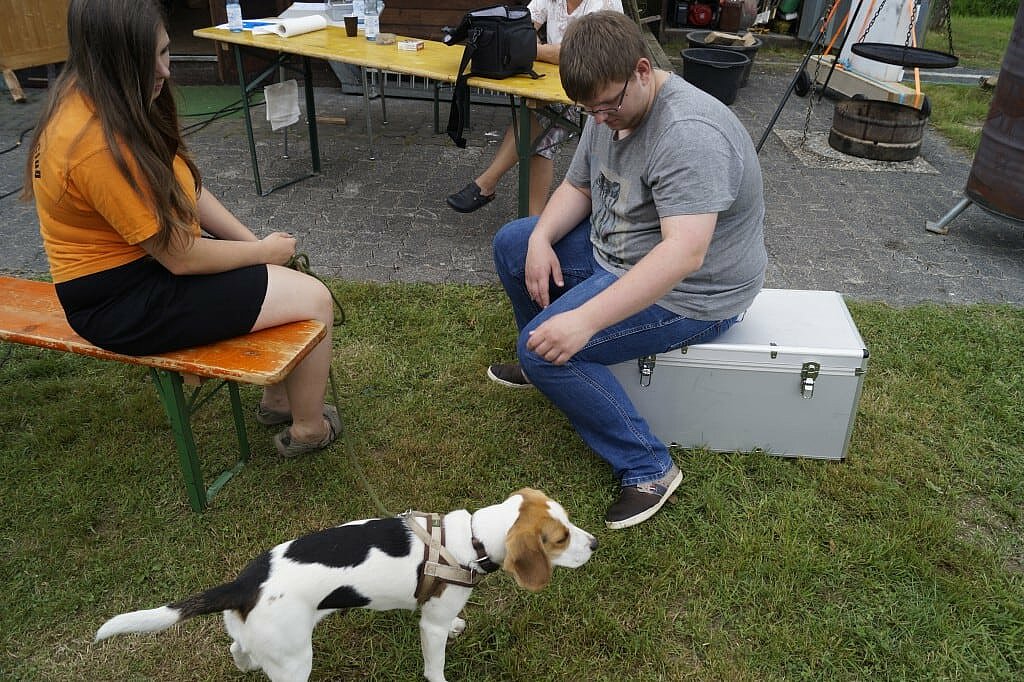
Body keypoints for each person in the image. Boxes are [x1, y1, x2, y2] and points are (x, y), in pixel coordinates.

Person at [487, 11, 768, 530]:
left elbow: (683, 254)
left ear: (642, 70)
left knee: (544, 345)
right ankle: (544, 364)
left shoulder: (689, 133)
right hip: (619, 250)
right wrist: (541, 240)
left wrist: (584, 321)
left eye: (606, 107)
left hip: (694, 293)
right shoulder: (609, 107)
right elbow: (578, 186)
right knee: (513, 243)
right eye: (587, 110)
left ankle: (649, 467)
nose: (598, 121)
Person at [23, 0, 339, 458]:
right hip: (118, 301)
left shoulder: (104, 93)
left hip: (144, 266)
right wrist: (263, 254)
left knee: (276, 283)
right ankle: (310, 429)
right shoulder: (95, 144)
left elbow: (184, 188)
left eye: (165, 51)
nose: (165, 71)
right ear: (111, 59)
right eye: (148, 59)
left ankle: (278, 401)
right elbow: (182, 258)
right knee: (313, 299)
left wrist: (254, 248)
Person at [445, 0, 623, 216]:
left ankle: (489, 186)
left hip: (597, 94)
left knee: (541, 129)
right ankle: (529, 218)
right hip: (554, 85)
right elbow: (519, 28)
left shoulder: (605, 3)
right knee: (535, 119)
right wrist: (540, 47)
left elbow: (576, 55)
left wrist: (531, 48)